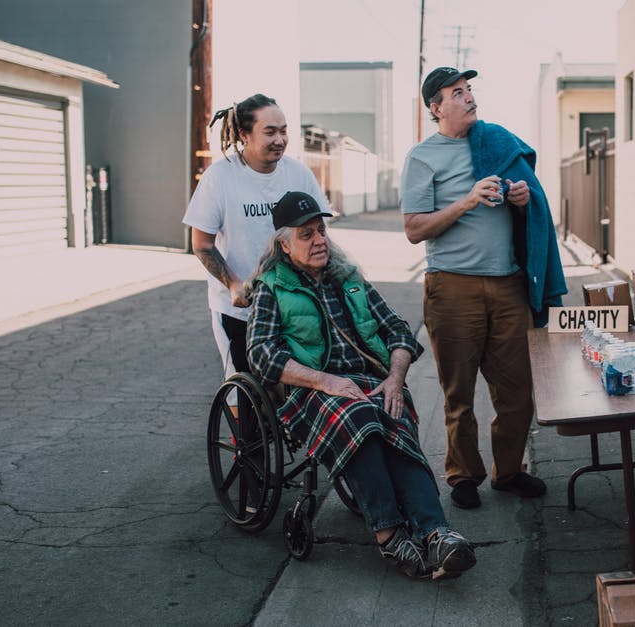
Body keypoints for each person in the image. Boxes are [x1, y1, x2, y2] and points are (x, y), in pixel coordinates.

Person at [245, 191, 476, 581]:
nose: (319, 240)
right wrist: (327, 380)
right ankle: (391, 536)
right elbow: (261, 354)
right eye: (306, 234)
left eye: (321, 230)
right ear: (284, 245)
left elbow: (398, 331)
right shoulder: (271, 287)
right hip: (312, 392)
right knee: (362, 420)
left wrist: (394, 379)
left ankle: (436, 534)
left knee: (392, 415)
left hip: (369, 382)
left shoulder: (348, 277)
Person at [401, 67, 567, 510]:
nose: (469, 97)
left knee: (517, 389)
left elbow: (531, 202)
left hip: (508, 284)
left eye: (470, 89)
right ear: (436, 108)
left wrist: (521, 200)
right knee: (458, 392)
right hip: (452, 287)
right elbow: (415, 229)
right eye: (457, 93)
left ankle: (509, 471)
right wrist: (468, 200)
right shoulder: (423, 157)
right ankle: (463, 475)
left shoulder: (496, 142)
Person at [183, 94, 330, 382]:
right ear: (244, 135)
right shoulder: (220, 178)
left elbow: (319, 232)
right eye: (270, 131)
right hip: (240, 310)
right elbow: (202, 245)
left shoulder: (298, 173)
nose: (280, 139)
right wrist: (234, 283)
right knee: (245, 392)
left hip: (293, 305)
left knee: (295, 389)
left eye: (284, 130)